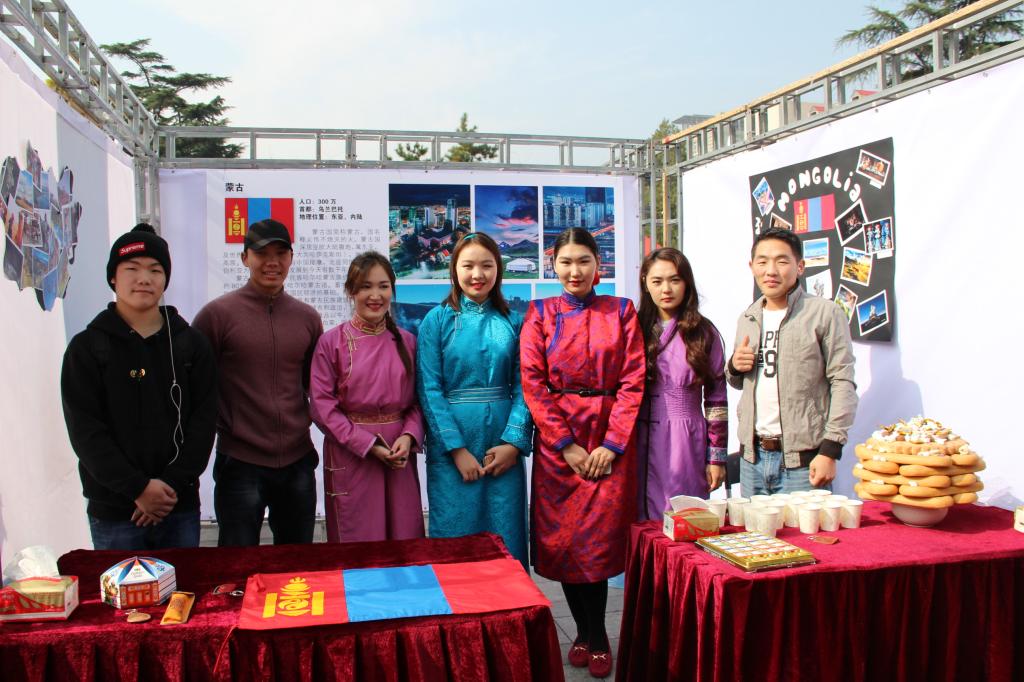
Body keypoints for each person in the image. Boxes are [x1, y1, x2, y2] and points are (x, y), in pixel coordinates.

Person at [520, 227, 644, 678]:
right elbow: (533, 383)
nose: (575, 270)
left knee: (597, 545)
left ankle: (598, 635)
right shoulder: (539, 314)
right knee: (566, 546)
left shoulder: (622, 311)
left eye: (584, 261)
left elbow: (633, 380)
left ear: (598, 265)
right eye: (566, 262)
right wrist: (564, 444)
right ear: (553, 264)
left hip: (610, 439)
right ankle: (584, 631)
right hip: (560, 445)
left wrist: (612, 444)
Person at [61, 223, 216, 550]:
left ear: (165, 279)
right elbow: (86, 431)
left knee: (185, 584)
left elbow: (203, 422)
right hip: (116, 511)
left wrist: (169, 486)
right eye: (131, 269)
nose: (144, 278)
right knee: (119, 586)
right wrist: (138, 489)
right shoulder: (87, 348)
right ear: (113, 278)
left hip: (177, 505)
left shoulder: (190, 345)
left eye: (155, 270)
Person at [193, 219, 323, 546]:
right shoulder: (216, 316)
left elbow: (314, 385)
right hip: (240, 461)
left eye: (281, 253)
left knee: (297, 562)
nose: (272, 262)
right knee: (237, 562)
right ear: (244, 258)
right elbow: (197, 386)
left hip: (297, 460)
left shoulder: (308, 318)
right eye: (262, 254)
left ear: (291, 258)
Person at [416, 233, 532, 566]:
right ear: (454, 269)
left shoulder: (513, 321)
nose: (477, 274)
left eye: (487, 265)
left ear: (499, 270)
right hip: (453, 448)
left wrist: (512, 444)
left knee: (505, 535)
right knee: (455, 532)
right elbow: (429, 389)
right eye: (468, 266)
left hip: (502, 444)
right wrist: (456, 449)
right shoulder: (436, 321)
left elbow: (526, 386)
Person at [727, 228, 857, 496]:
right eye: (762, 261)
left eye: (782, 261)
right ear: (752, 267)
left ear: (800, 266)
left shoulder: (824, 313)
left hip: (802, 463)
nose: (771, 271)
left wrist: (830, 450)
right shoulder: (748, 317)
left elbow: (843, 382)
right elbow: (738, 382)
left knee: (804, 526)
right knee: (753, 526)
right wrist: (733, 367)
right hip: (752, 459)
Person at [310, 252, 424, 542]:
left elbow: (418, 402)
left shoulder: (408, 342)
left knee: (404, 538)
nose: (375, 295)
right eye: (365, 287)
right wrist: (368, 444)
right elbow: (323, 408)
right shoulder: (331, 342)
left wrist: (409, 436)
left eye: (383, 286)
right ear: (351, 291)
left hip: (398, 452)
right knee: (358, 540)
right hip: (351, 454)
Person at [636, 248, 727, 519]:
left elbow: (716, 399)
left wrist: (716, 458)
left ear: (687, 282)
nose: (666, 289)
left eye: (675, 280)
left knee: (682, 517)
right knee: (636, 518)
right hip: (637, 436)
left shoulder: (703, 332)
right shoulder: (634, 327)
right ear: (645, 283)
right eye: (657, 281)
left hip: (684, 439)